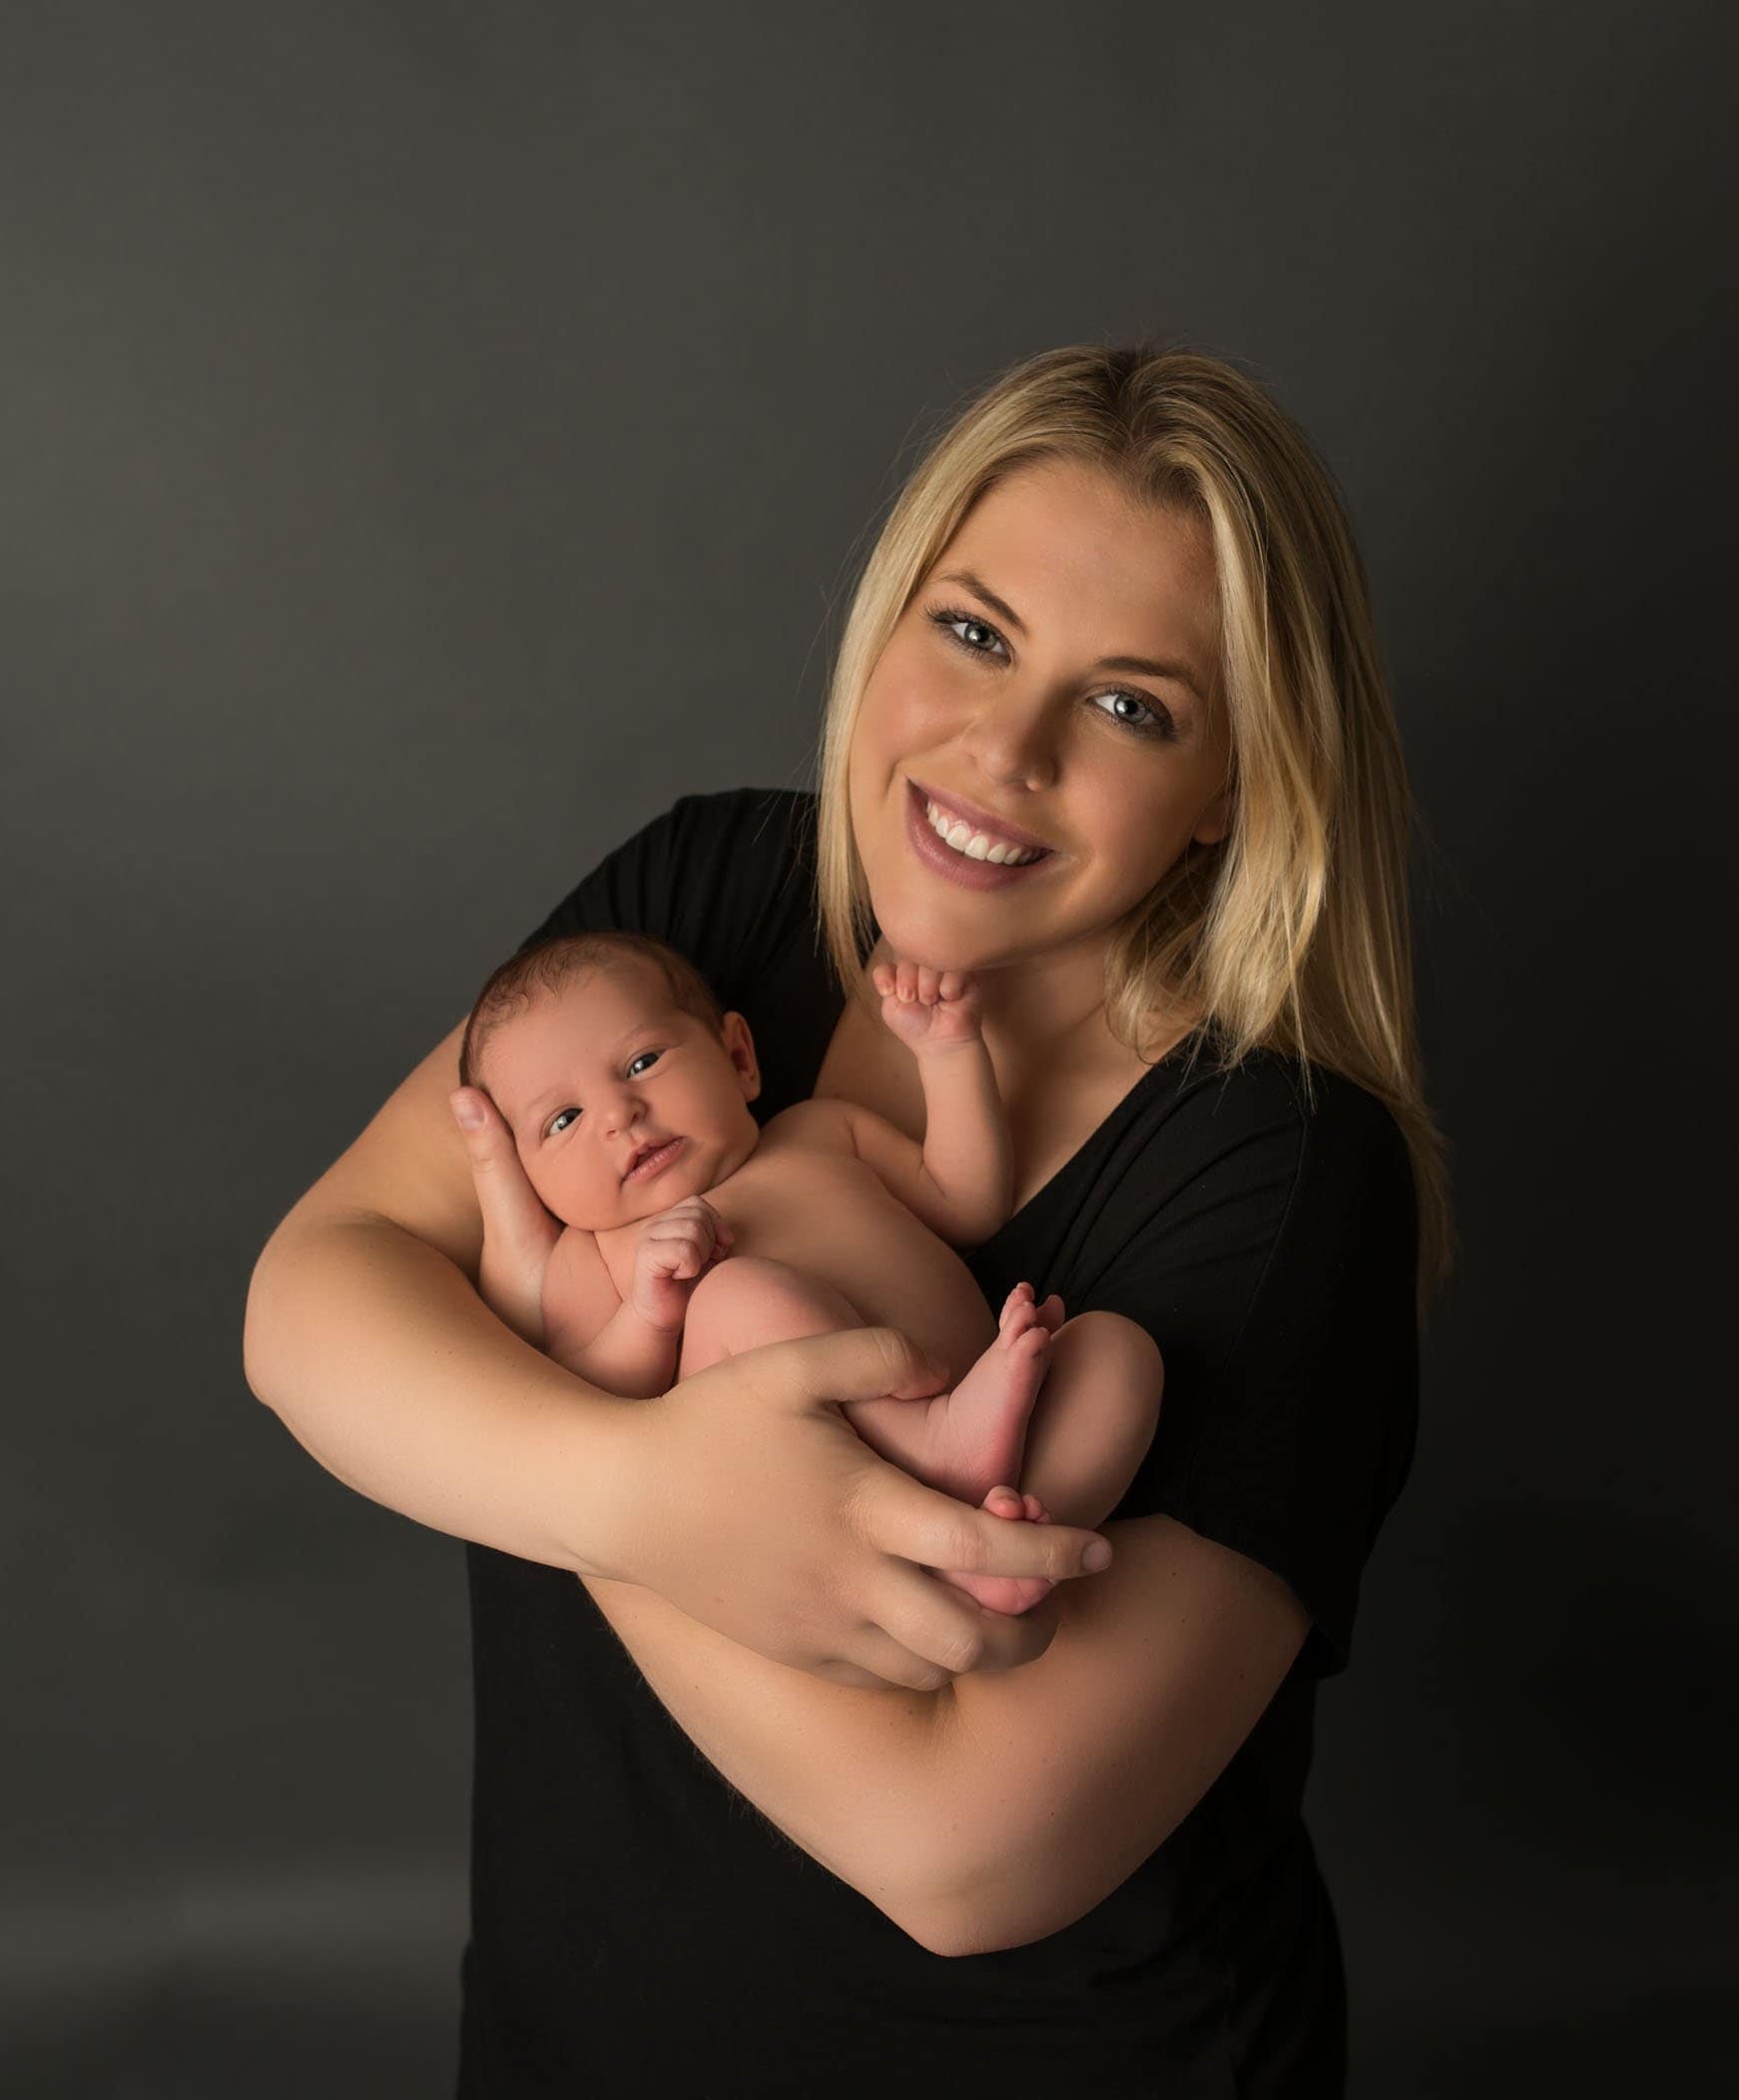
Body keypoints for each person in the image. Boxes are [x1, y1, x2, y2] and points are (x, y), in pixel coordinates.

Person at [243, 338, 1450, 2097]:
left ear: (1231, 800)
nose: (1002, 747)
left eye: (1132, 705)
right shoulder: (704, 908)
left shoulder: (1286, 1169)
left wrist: (553, 1398)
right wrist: (649, 1483)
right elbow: (310, 1302)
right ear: (885, 625)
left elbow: (968, 1851)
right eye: (971, 630)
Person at [450, 925, 1167, 1617]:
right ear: (527, 1175)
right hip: (822, 1488)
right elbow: (592, 1397)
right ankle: (936, 1452)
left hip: (995, 1422)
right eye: (563, 1120)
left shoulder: (822, 1131)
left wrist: (950, 1054)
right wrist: (648, 1312)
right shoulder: (599, 1252)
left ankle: (1001, 1548)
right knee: (734, 1292)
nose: (618, 1114)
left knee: (1116, 1350)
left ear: (738, 1058)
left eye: (641, 1064)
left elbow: (966, 1202)